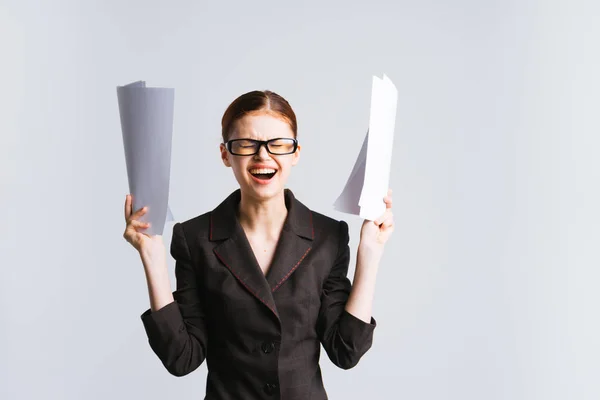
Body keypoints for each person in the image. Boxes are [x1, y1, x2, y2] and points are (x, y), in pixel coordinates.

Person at [123, 90, 394, 399]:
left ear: (296, 152)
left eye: (278, 144)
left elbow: (346, 351)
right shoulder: (194, 238)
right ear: (225, 154)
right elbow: (181, 358)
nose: (263, 156)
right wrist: (152, 257)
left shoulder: (328, 237)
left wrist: (370, 254)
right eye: (246, 144)